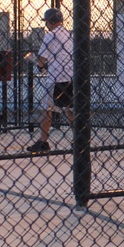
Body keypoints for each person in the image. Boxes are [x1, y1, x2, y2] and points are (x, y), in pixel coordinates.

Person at [27, 8, 74, 153]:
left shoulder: (50, 35)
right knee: (69, 110)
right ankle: (80, 138)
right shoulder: (70, 34)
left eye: (47, 21)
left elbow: (41, 59)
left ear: (50, 21)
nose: (46, 24)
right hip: (71, 77)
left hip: (56, 78)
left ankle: (43, 141)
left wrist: (39, 65)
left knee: (46, 110)